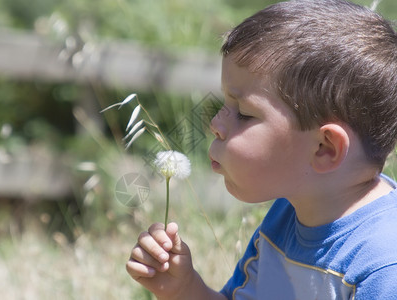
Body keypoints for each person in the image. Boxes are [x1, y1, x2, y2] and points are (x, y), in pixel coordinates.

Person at [126, 0, 397, 299]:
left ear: (324, 148)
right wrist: (184, 288)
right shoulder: (285, 216)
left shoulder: (383, 267)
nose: (215, 123)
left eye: (243, 112)